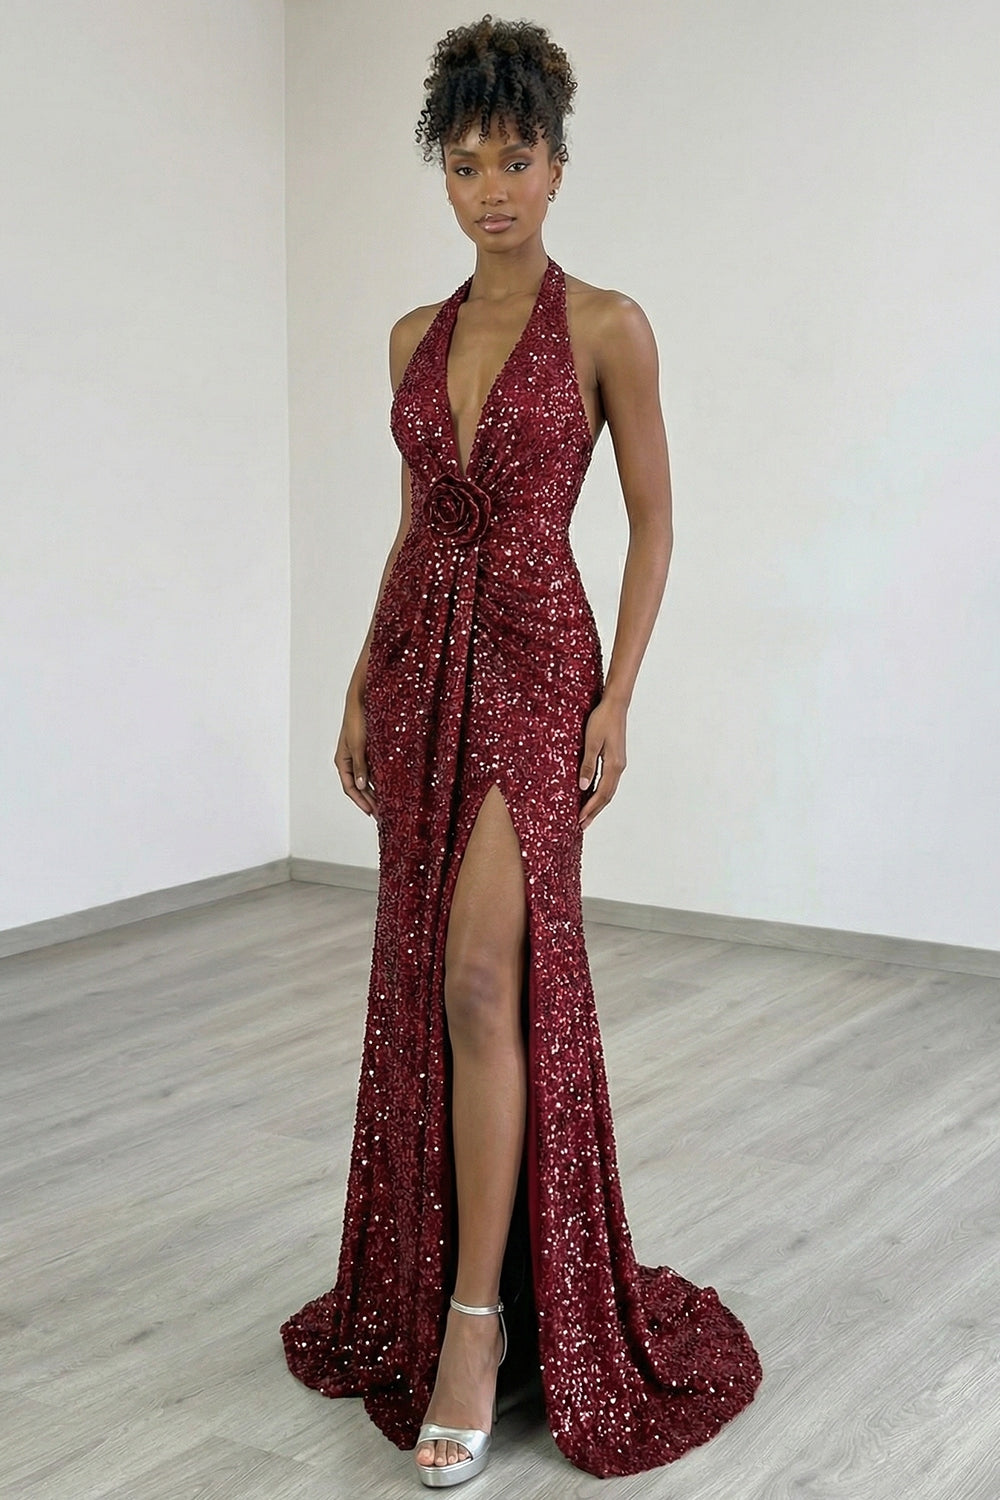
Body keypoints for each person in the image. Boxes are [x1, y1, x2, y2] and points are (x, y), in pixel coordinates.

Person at [281, 14, 762, 1488]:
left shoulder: (609, 325)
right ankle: (438, 1283)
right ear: (444, 173)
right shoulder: (409, 339)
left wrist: (618, 696)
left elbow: (655, 521)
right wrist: (361, 679)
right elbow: (417, 528)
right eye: (466, 164)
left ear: (558, 164)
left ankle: (477, 1328)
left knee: (486, 977)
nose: (491, 188)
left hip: (542, 667)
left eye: (516, 159)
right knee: (431, 987)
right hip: (422, 667)